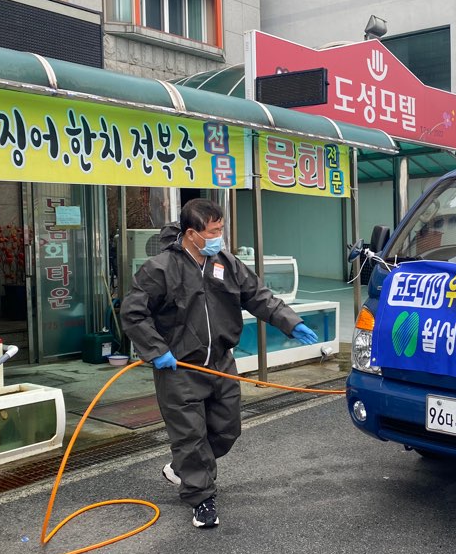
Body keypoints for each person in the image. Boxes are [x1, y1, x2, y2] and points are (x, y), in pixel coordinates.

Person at [120, 198, 319, 529]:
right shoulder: (160, 269)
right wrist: (157, 350)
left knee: (228, 429)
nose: (219, 237)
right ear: (192, 233)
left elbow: (258, 296)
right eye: (213, 231)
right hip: (180, 368)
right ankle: (201, 498)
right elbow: (133, 313)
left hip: (221, 362)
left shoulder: (226, 263)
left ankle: (183, 468)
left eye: (221, 229)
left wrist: (290, 321)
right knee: (190, 437)